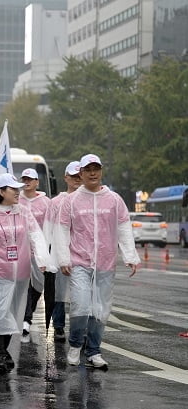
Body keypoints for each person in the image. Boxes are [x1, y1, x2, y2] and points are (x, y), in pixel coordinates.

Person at [54, 154, 139, 369]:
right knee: (81, 304)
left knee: (100, 309)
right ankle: (75, 345)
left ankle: (93, 351)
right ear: (80, 173)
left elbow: (123, 228)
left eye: (96, 168)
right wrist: (63, 258)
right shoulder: (70, 201)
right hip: (79, 262)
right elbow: (62, 231)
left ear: (101, 171)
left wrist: (130, 256)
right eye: (88, 169)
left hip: (105, 262)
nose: (92, 173)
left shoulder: (114, 200)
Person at [0, 173, 50, 374]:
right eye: (13, 189)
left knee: (12, 315)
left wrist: (42, 259)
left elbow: (35, 235)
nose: (18, 193)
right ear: (1, 192)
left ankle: (1, 349)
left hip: (20, 273)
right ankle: (0, 354)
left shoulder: (24, 212)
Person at [43, 161, 81, 341]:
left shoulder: (87, 199)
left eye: (79, 176)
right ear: (66, 177)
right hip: (60, 252)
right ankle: (58, 326)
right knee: (60, 291)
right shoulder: (56, 202)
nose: (76, 180)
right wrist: (45, 254)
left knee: (81, 293)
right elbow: (48, 228)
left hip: (82, 253)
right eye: (73, 176)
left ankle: (80, 329)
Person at [18, 168, 53, 340]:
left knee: (38, 285)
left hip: (40, 251)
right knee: (24, 285)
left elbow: (50, 225)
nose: (27, 182)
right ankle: (26, 319)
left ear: (37, 182)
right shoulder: (17, 200)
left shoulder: (46, 202)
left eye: (30, 179)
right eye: (24, 179)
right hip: (21, 251)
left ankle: (28, 311)